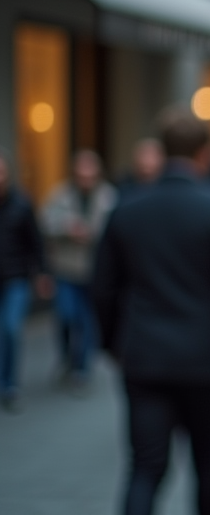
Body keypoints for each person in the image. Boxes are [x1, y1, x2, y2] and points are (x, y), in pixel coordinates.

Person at [93, 109, 210, 515]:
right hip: (203, 357)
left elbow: (103, 288)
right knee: (205, 461)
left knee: (144, 463)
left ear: (160, 149)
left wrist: (112, 344)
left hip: (144, 354)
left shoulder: (127, 208)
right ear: (204, 153)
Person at [40, 149, 117, 388]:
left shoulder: (108, 197)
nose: (85, 180)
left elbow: (116, 229)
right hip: (66, 269)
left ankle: (81, 368)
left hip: (94, 270)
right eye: (81, 175)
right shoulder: (60, 195)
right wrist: (67, 228)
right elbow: (43, 223)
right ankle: (67, 358)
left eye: (90, 175)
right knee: (66, 315)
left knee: (86, 320)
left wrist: (92, 232)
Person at [0, 149, 51, 411]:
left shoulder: (21, 204)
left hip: (15, 277)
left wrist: (42, 273)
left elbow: (36, 242)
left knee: (10, 328)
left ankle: (9, 383)